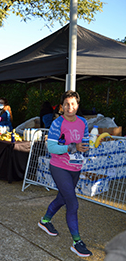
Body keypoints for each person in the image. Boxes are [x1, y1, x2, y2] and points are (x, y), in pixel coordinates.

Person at [38, 90, 92, 257]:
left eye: (73, 104)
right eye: (67, 104)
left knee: (63, 198)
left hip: (75, 168)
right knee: (72, 203)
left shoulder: (83, 122)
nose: (70, 107)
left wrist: (88, 146)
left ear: (77, 105)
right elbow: (51, 147)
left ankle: (45, 221)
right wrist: (72, 147)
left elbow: (85, 143)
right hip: (59, 167)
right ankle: (77, 242)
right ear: (62, 107)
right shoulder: (57, 123)